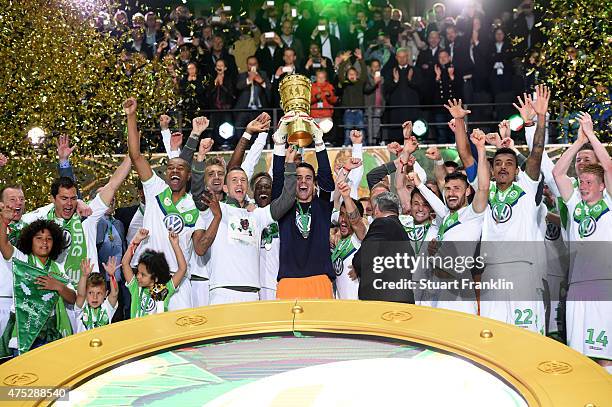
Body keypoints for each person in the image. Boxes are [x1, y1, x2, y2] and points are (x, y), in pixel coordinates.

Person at [125, 98, 208, 311]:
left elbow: (200, 248)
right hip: (149, 284)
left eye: (180, 168)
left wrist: (215, 217)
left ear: (188, 175)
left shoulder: (194, 208)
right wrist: (131, 115)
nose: (174, 171)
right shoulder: (155, 189)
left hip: (177, 284)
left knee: (181, 339)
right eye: (170, 168)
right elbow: (135, 155)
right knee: (149, 337)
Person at [193, 145, 297, 305]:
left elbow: (287, 200)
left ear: (247, 187)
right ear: (225, 188)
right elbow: (200, 249)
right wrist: (200, 158)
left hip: (252, 294)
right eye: (234, 181)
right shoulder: (215, 208)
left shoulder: (257, 215)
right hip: (222, 292)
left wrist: (289, 164)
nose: (239, 184)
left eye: (243, 180)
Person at [552, 112, 612, 369]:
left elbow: (608, 166)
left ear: (601, 186)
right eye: (582, 181)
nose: (583, 185)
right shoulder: (575, 203)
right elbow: (557, 173)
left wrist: (591, 134)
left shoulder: (609, 202)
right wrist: (577, 142)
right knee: (578, 357)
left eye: (589, 182)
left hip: (604, 286)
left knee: (604, 355)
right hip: (577, 287)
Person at [418, 130, 490, 315]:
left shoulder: (473, 213)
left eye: (457, 189)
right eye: (448, 189)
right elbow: (442, 179)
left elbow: (483, 187)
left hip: (459, 298)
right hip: (438, 294)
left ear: (467, 192)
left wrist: (481, 150)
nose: (451, 193)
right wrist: (438, 160)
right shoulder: (446, 217)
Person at [271, 118, 335, 299]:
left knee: (321, 328)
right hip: (289, 282)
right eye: (298, 177)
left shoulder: (322, 206)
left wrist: (318, 141)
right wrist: (280, 143)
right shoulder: (284, 208)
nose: (303, 182)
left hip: (320, 280)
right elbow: (278, 179)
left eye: (308, 178)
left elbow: (327, 180)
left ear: (314, 184)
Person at [0, 214, 74, 355]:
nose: (44, 243)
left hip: (50, 333)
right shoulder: (21, 260)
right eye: (39, 238)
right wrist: (3, 223)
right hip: (23, 333)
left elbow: (73, 298)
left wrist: (58, 286)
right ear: (30, 241)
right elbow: (4, 245)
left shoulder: (58, 268)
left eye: (49, 239)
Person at [351, 191, 414, 303]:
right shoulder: (399, 229)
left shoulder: (382, 223)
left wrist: (357, 265)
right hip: (399, 302)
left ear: (376, 210)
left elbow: (362, 259)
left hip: (384, 303)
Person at [121, 229, 187, 317]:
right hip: (136, 330)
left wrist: (175, 245)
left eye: (143, 274)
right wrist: (136, 241)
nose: (138, 276)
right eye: (138, 272)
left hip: (158, 330)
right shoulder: (135, 287)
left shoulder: (164, 290)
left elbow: (182, 269)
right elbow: (125, 264)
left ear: (155, 278)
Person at [333, 179, 366, 300]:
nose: (343, 220)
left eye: (348, 216)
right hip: (340, 306)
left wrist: (346, 197)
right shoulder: (338, 240)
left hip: (356, 307)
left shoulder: (359, 238)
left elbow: (356, 221)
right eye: (342, 214)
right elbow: (335, 200)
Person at [75, 258, 118, 332]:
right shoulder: (81, 308)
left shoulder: (107, 308)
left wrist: (112, 276)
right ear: (86, 293)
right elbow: (81, 294)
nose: (95, 297)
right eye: (90, 293)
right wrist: (84, 276)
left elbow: (114, 294)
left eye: (99, 293)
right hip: (83, 343)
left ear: (106, 294)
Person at [337, 49, 367, 146]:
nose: (352, 76)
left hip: (359, 111)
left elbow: (364, 74)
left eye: (354, 74)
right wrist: (344, 61)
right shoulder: (345, 83)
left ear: (357, 75)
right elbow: (340, 75)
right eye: (350, 74)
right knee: (347, 129)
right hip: (348, 111)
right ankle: (346, 144)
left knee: (361, 129)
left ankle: (364, 145)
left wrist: (361, 60)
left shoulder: (360, 82)